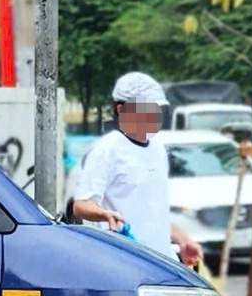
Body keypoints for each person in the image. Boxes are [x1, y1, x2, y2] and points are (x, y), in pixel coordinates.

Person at [68, 71, 204, 268]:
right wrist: (104, 215)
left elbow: (152, 214)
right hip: (123, 263)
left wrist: (183, 240)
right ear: (121, 109)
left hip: (161, 262)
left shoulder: (157, 147)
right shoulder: (107, 149)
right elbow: (80, 205)